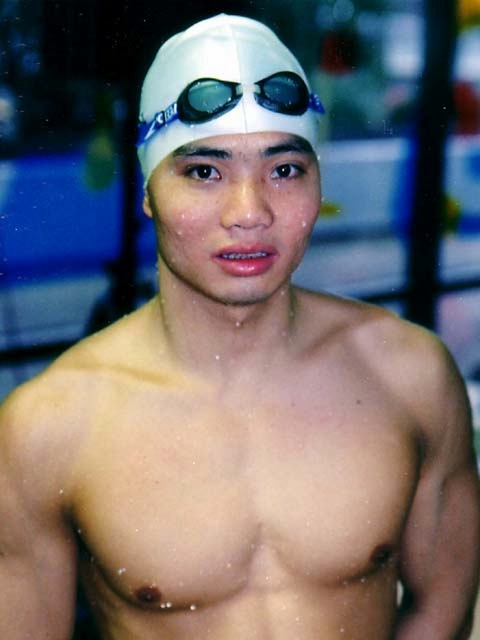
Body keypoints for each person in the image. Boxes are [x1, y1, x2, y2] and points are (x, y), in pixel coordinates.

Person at [0, 13, 479, 640]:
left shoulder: (411, 375)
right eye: (204, 171)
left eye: (285, 170)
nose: (249, 213)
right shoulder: (49, 427)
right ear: (148, 191)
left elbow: (443, 604)